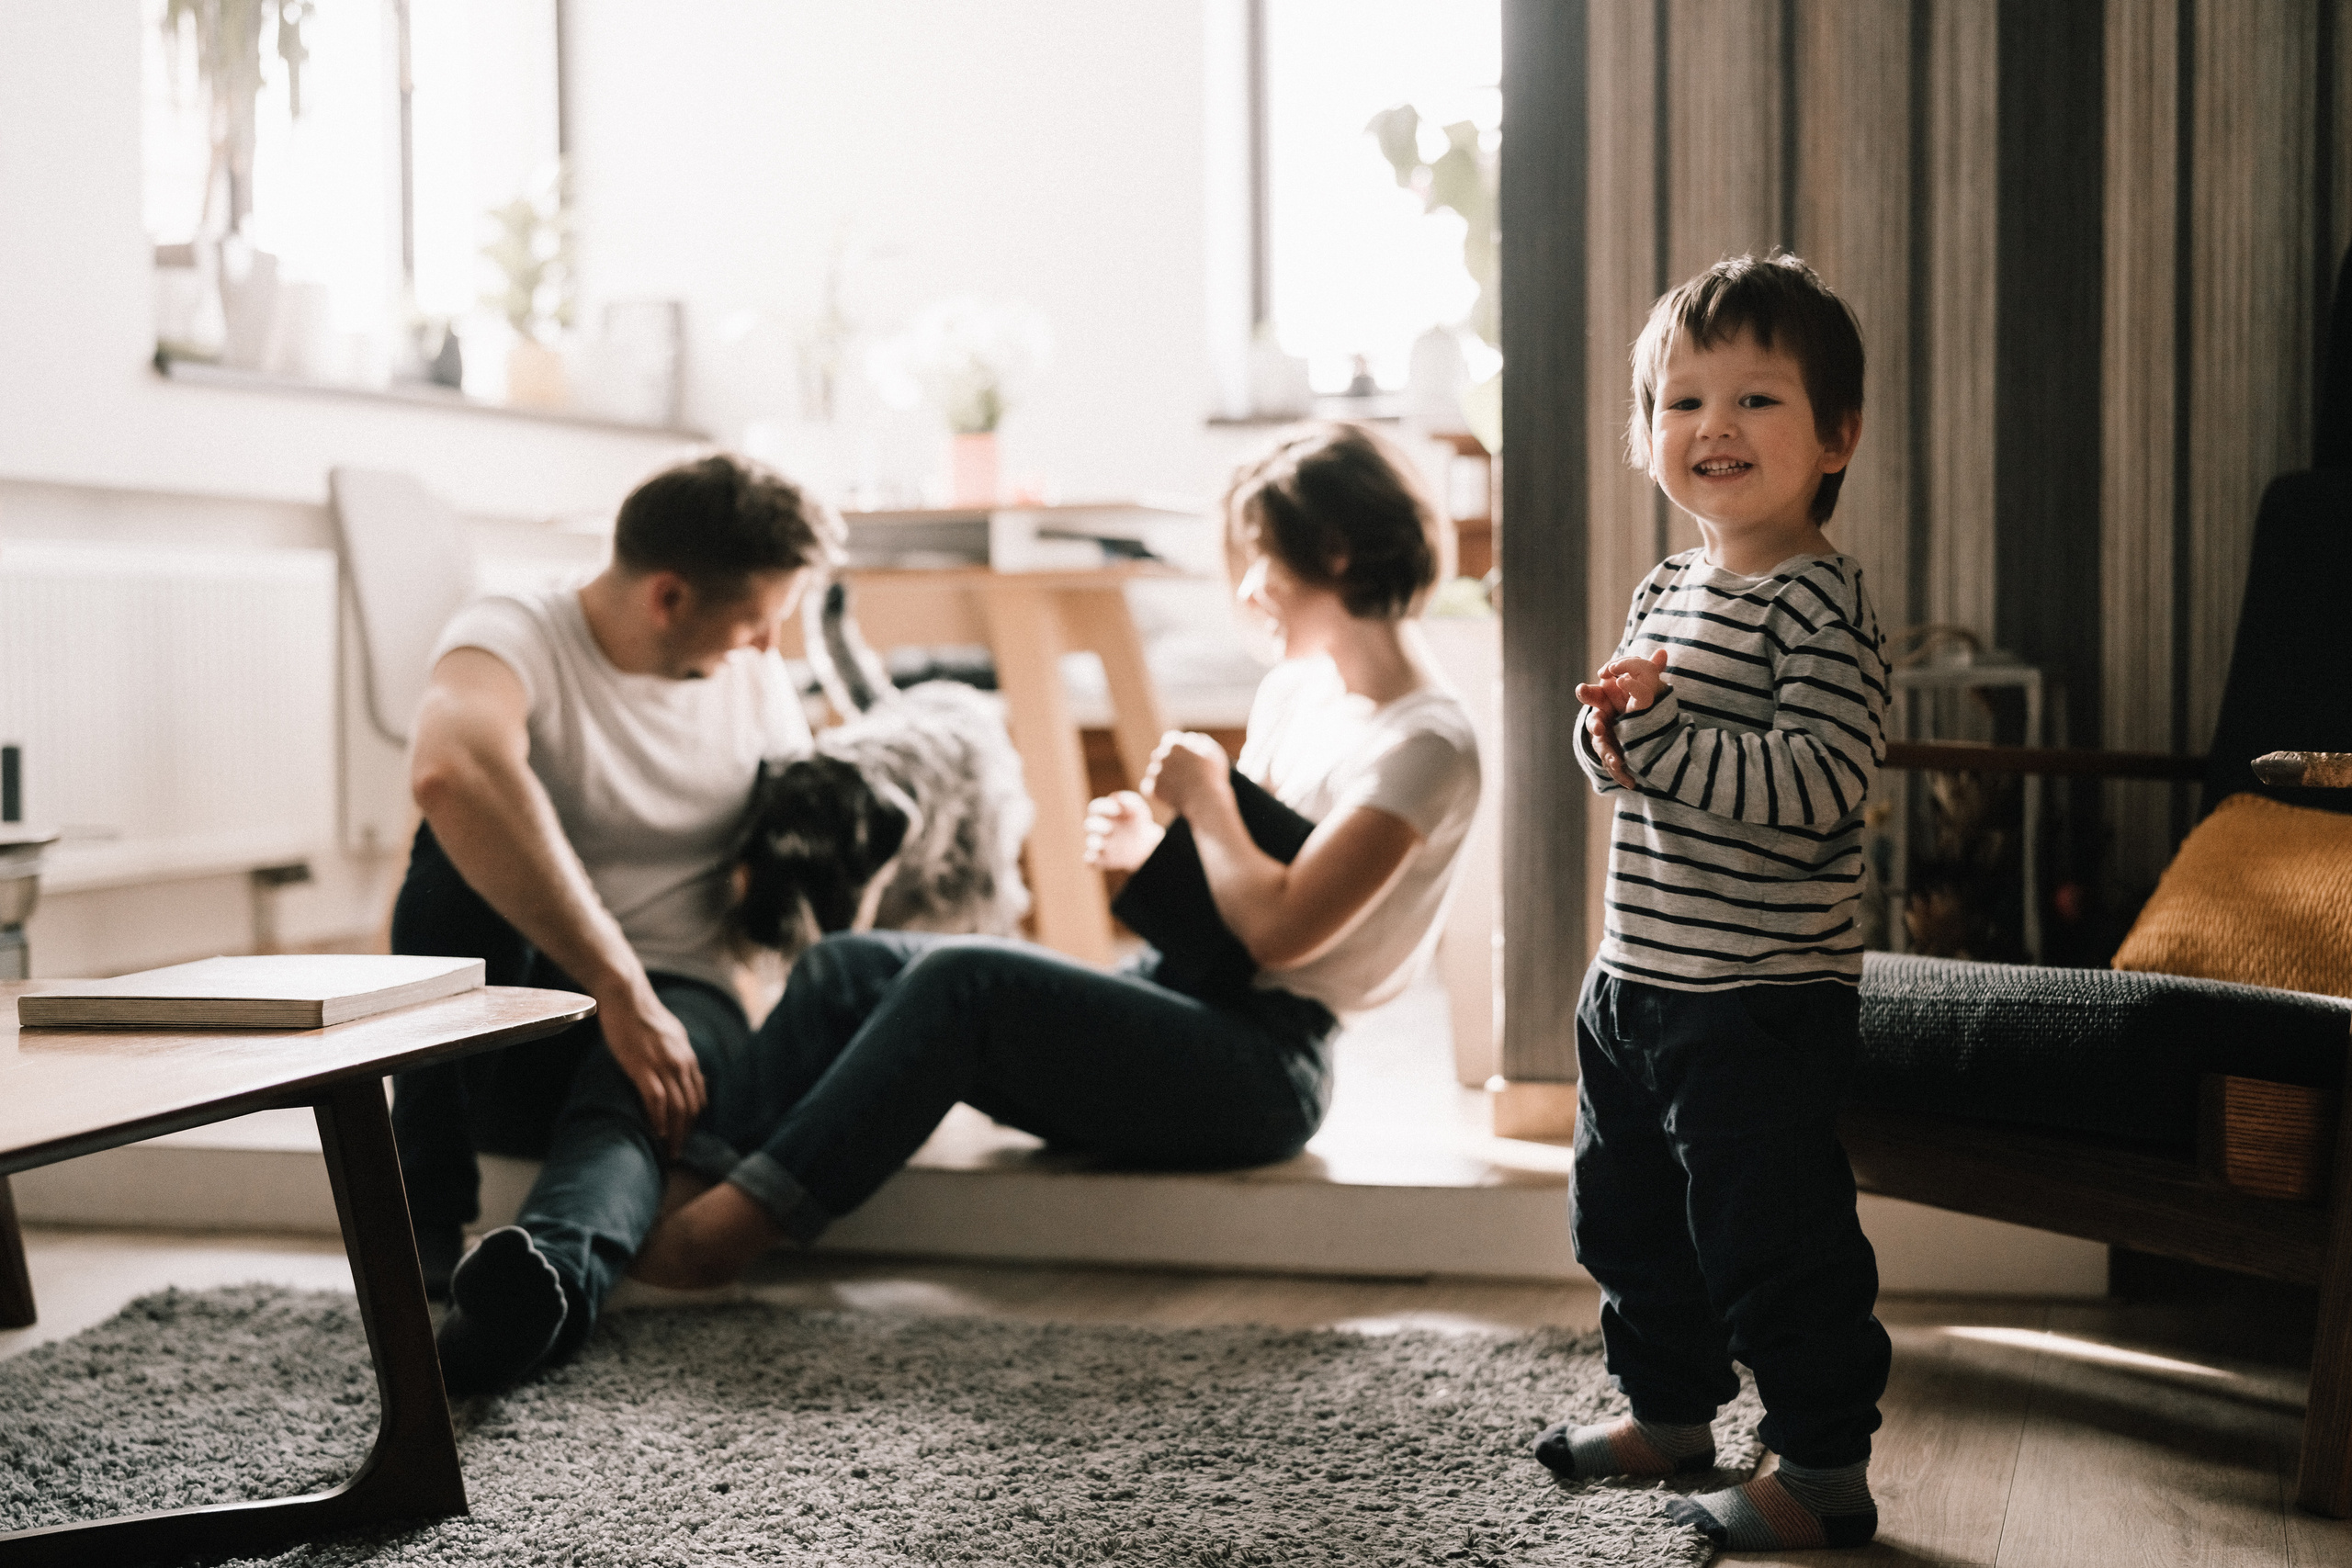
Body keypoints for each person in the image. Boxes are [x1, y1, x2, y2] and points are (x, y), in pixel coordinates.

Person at [441, 420, 1481, 1389]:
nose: (1248, 588)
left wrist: (1206, 802)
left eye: (1259, 557)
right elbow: (1238, 898)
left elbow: (1285, 927)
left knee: (963, 978)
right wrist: (1158, 849)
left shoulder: (1424, 741)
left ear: (1333, 554)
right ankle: (692, 1177)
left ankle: (722, 1236)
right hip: (1189, 991)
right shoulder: (1300, 692)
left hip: (1268, 1066)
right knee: (848, 965)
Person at [1533, 253, 1892, 1553]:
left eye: (1756, 400)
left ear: (1836, 434)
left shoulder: (1820, 604)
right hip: (1636, 980)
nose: (1714, 429)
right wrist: (1608, 736)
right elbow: (1631, 762)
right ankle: (1670, 1411)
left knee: (1771, 1234)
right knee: (1628, 1217)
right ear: (1644, 439)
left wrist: (1665, 731)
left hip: (1758, 996)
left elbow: (1820, 783)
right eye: (1682, 403)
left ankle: (1821, 1462)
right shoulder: (1664, 590)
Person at [389, 453, 839, 1391]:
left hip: (683, 1007)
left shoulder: (752, 684)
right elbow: (450, 767)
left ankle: (536, 1292)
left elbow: (801, 871)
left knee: (633, 1102)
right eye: (757, 621)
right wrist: (615, 988)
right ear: (669, 596)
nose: (766, 649)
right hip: (520, 1016)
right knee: (449, 857)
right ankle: (422, 1210)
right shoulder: (516, 628)